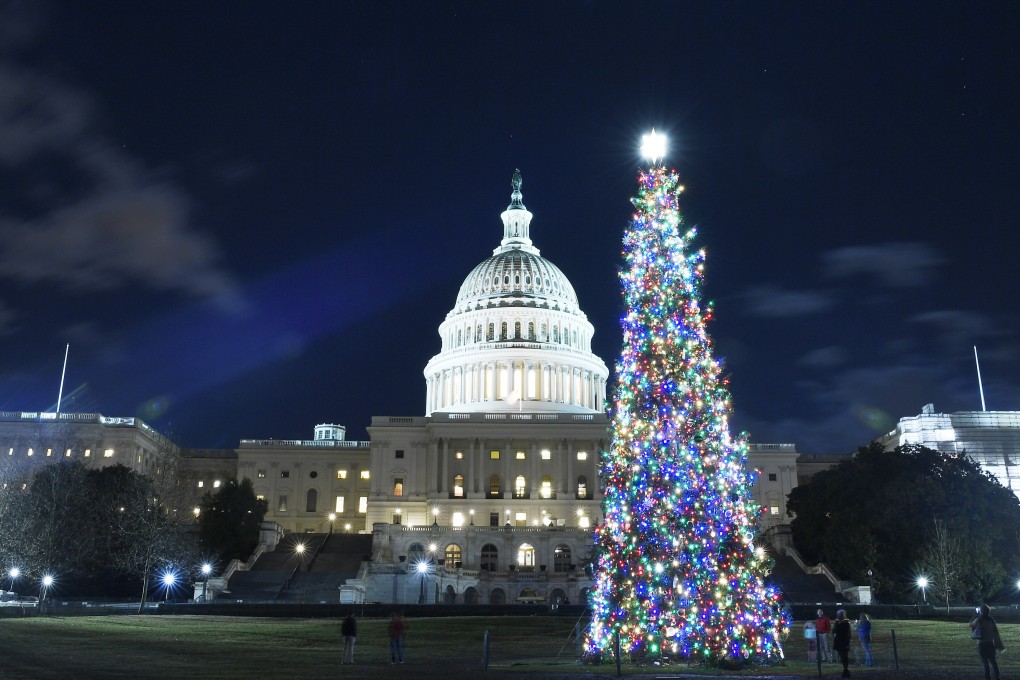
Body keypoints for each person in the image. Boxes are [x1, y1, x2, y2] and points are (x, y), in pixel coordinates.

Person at [970, 603, 1005, 680]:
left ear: (981, 611)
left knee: (985, 662)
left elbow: (971, 625)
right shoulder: (991, 620)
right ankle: (997, 676)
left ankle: (987, 677)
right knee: (993, 661)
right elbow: (995, 632)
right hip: (990, 642)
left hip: (981, 643)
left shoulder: (979, 620)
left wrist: (974, 616)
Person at [832, 609, 852, 678]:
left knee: (844, 656)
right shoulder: (837, 623)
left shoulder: (846, 623)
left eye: (839, 614)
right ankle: (845, 670)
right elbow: (833, 631)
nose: (838, 616)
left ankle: (846, 670)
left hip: (843, 642)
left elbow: (848, 634)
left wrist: (847, 643)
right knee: (842, 656)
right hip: (838, 641)